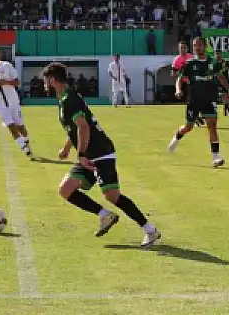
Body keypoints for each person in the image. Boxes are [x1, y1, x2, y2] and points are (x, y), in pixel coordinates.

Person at [42, 62, 160, 246]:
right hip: (88, 154)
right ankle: (105, 216)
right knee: (65, 189)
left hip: (100, 152)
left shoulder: (69, 99)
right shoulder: (66, 98)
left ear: (52, 80)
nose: (45, 84)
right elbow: (75, 128)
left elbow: (83, 127)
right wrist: (67, 147)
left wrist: (80, 153)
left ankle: (150, 230)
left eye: (46, 81)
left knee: (112, 195)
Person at [168, 37, 226, 167]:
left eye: (199, 45)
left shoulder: (212, 62)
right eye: (195, 45)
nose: (197, 48)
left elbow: (221, 77)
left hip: (209, 99)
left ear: (205, 47)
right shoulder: (189, 63)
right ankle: (176, 138)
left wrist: (228, 91)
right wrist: (178, 89)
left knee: (212, 126)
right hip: (194, 100)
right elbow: (179, 78)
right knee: (188, 127)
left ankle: (216, 157)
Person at [0, 46, 31, 157]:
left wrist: (5, 82)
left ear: (0, 54)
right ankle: (25, 149)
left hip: (13, 101)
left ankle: (26, 142)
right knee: (11, 127)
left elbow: (18, 82)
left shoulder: (7, 66)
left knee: (21, 127)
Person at [214, 50, 229, 116]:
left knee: (225, 96)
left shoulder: (225, 62)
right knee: (221, 95)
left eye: (219, 54)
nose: (218, 55)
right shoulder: (214, 63)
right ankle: (226, 111)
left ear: (221, 54)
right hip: (217, 81)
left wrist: (227, 67)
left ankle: (226, 111)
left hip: (225, 81)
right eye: (216, 54)